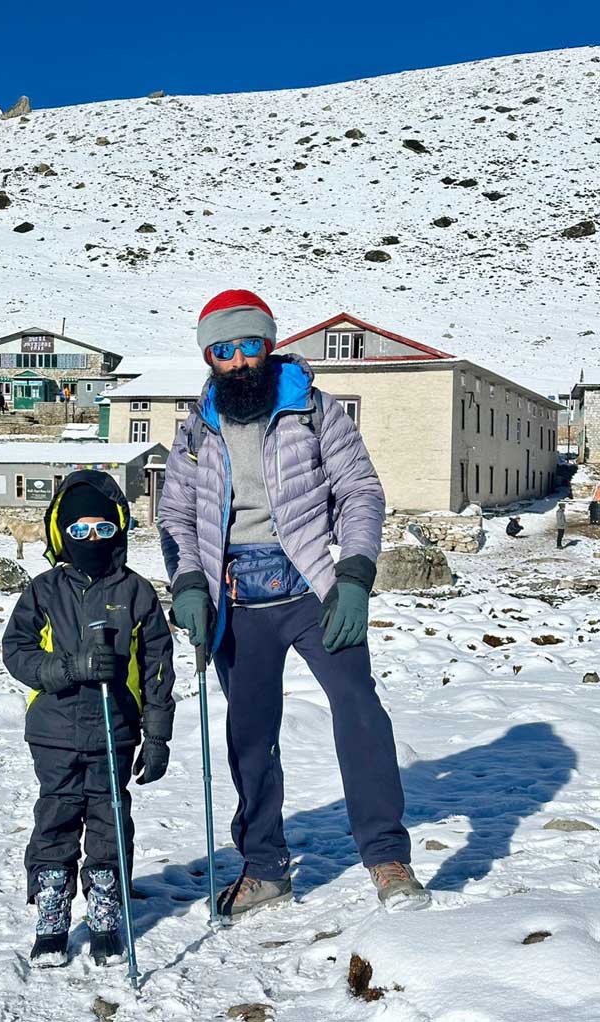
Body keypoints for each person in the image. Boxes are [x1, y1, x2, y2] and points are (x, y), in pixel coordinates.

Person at [157, 289, 426, 919]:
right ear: (210, 358)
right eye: (222, 351)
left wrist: (355, 576)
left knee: (360, 711)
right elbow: (174, 516)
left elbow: (359, 490)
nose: (238, 361)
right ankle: (266, 869)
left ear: (269, 345)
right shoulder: (196, 430)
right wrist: (188, 584)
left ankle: (387, 857)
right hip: (235, 600)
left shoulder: (314, 409)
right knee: (250, 736)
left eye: (248, 345)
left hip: (311, 588)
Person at [2, 470, 175, 967]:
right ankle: (52, 912)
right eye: (79, 531)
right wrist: (65, 668)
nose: (92, 540)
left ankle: (104, 909)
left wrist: (157, 736)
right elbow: (16, 651)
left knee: (109, 820)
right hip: (54, 732)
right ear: (61, 534)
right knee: (55, 816)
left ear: (118, 529)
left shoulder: (137, 593)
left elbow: (159, 669)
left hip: (114, 731)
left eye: (102, 529)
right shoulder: (44, 590)